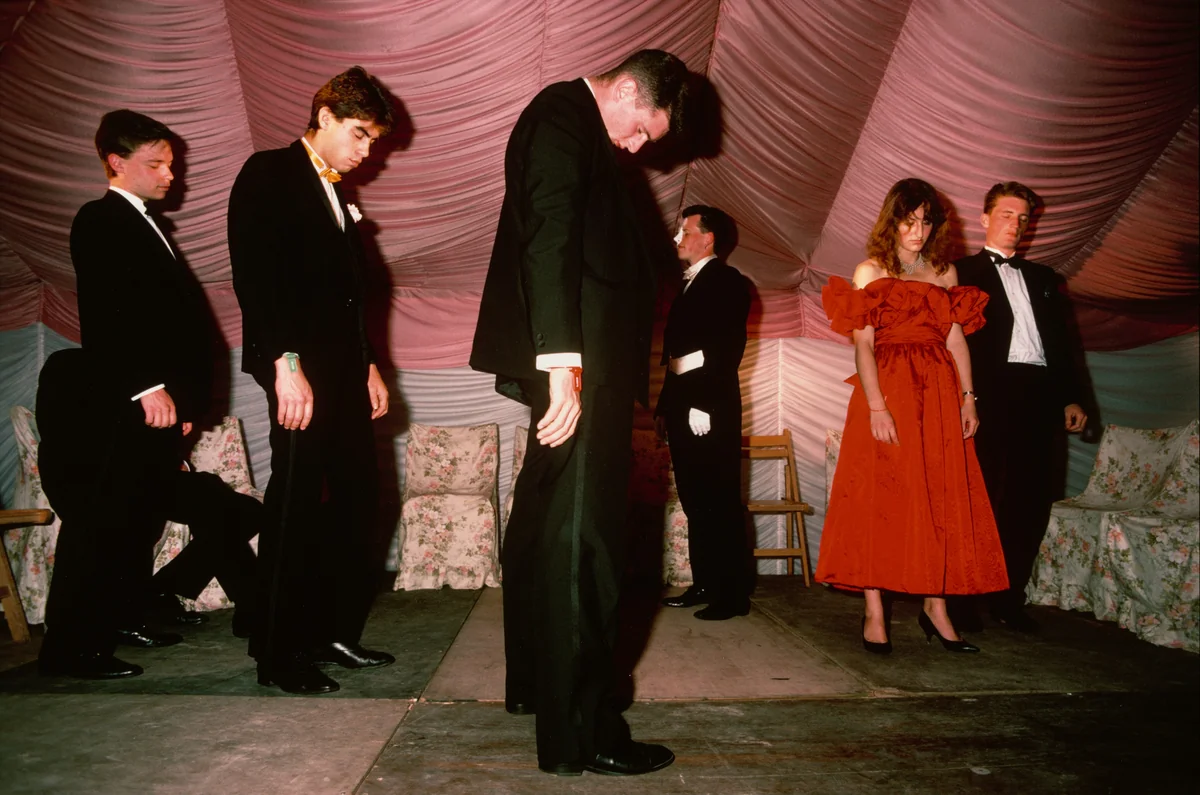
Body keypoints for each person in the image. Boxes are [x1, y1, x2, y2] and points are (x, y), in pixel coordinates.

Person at [470, 49, 691, 776]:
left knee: (544, 524)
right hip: (579, 366)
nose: (637, 147)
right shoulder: (563, 117)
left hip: (582, 363)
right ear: (624, 89)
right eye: (641, 129)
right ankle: (582, 731)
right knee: (582, 544)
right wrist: (563, 368)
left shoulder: (574, 125)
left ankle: (539, 686)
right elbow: (550, 236)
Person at [38, 110, 257, 679]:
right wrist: (147, 387)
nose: (170, 174)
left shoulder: (144, 222)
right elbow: (108, 317)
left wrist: (182, 402)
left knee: (135, 522)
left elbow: (164, 324)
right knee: (102, 525)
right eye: (156, 164)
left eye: (171, 163)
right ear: (116, 162)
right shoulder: (100, 218)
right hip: (129, 403)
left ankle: (119, 619)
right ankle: (70, 651)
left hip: (159, 406)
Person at [228, 66, 396, 695]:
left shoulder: (336, 192)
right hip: (298, 371)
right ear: (325, 116)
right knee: (295, 505)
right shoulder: (268, 172)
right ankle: (277, 652)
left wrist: (370, 364)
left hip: (346, 373)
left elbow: (351, 297)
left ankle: (331, 631)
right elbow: (256, 279)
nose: (366, 151)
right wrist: (285, 366)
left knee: (358, 502)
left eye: (373, 140)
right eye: (359, 134)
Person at [816, 178, 1009, 655]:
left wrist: (968, 398)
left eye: (926, 222)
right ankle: (874, 611)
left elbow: (955, 339)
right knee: (880, 497)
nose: (918, 231)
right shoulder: (869, 270)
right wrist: (877, 406)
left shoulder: (944, 273)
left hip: (938, 393)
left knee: (938, 494)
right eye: (909, 221)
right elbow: (863, 345)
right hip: (888, 389)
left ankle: (936, 607)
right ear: (892, 221)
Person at [955, 182, 1088, 633]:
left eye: (1023, 218)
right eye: (1007, 215)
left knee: (1030, 501)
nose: (1016, 225)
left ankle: (1009, 600)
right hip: (988, 395)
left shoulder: (1045, 278)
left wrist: (1072, 396)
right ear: (984, 219)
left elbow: (1064, 345)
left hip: (1040, 396)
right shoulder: (960, 272)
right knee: (980, 499)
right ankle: (962, 603)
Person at [655, 205, 752, 620]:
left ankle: (732, 596)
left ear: (708, 239)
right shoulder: (689, 283)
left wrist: (704, 404)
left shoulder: (728, 281)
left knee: (719, 500)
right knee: (696, 501)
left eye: (686, 231)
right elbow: (677, 356)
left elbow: (726, 349)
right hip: (684, 405)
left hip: (709, 407)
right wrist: (666, 407)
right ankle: (706, 583)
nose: (678, 238)